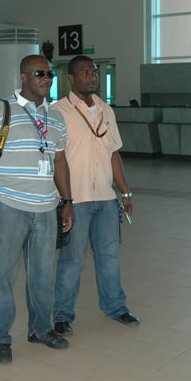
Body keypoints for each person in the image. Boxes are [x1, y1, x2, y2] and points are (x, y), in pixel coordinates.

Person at [0, 55, 74, 363]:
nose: (46, 78)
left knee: (43, 275)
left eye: (49, 74)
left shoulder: (56, 117)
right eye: (39, 73)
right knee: (2, 275)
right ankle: (1, 337)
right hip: (10, 207)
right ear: (23, 76)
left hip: (46, 210)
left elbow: (59, 162)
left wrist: (67, 202)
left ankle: (40, 329)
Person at [53, 55, 139, 336]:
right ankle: (62, 315)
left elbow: (113, 154)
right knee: (71, 260)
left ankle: (116, 307)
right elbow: (55, 159)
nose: (91, 77)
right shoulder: (58, 112)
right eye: (85, 72)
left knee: (109, 256)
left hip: (105, 197)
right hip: (75, 200)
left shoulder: (106, 110)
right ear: (71, 78)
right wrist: (63, 200)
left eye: (94, 72)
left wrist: (124, 192)